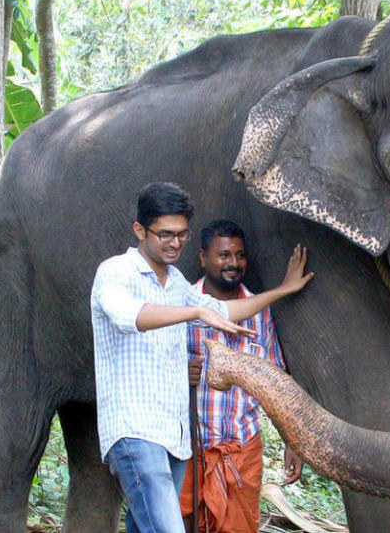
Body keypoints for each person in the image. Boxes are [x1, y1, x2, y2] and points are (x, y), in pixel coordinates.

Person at [90, 183, 313, 533]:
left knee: (143, 526)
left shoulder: (175, 283)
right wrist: (193, 310)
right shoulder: (116, 272)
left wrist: (281, 291)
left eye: (181, 234)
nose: (174, 242)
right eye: (164, 234)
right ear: (139, 230)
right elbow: (128, 316)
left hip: (174, 437)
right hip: (136, 432)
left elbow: (224, 309)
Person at [180, 220, 305, 533]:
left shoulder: (260, 312)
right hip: (186, 447)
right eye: (224, 255)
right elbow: (152, 369)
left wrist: (294, 440)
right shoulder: (180, 305)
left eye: (239, 255)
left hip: (241, 449)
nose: (233, 263)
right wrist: (180, 374)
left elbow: (274, 379)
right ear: (202, 258)